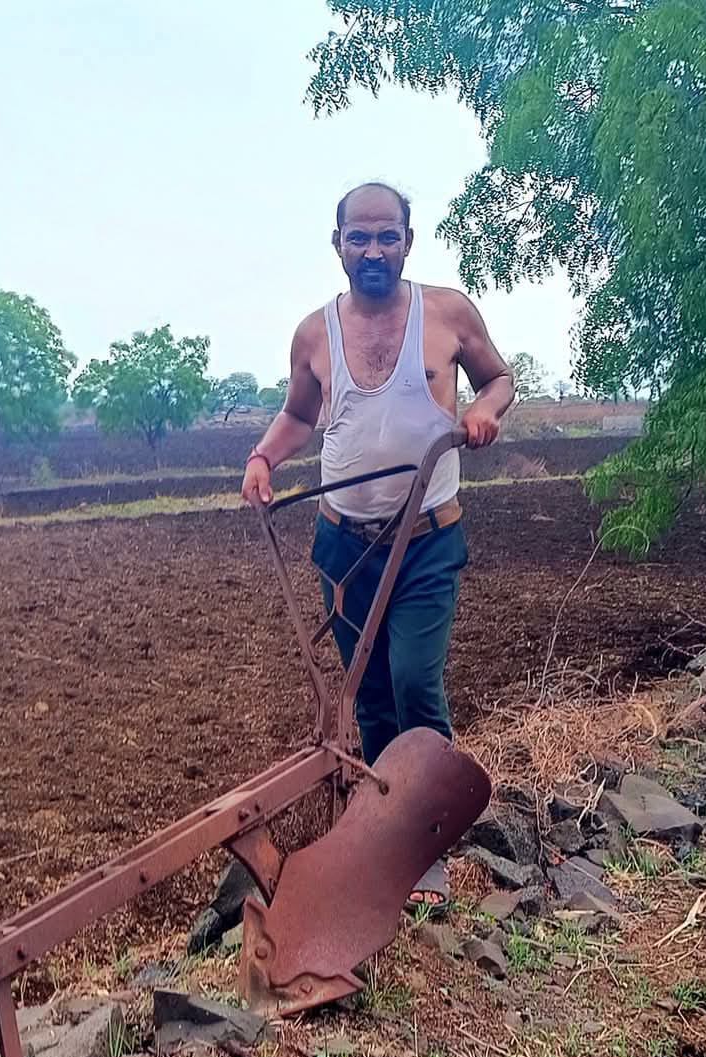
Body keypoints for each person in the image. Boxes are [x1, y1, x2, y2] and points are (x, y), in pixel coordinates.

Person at [241, 181, 515, 910]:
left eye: (385, 236)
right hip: (346, 545)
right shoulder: (314, 333)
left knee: (414, 682)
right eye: (358, 238)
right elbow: (300, 415)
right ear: (337, 246)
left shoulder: (447, 313)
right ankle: (378, 839)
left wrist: (484, 412)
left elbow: (499, 377)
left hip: (426, 540)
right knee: (367, 698)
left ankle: (429, 839)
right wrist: (263, 459)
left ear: (407, 241)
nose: (372, 250)